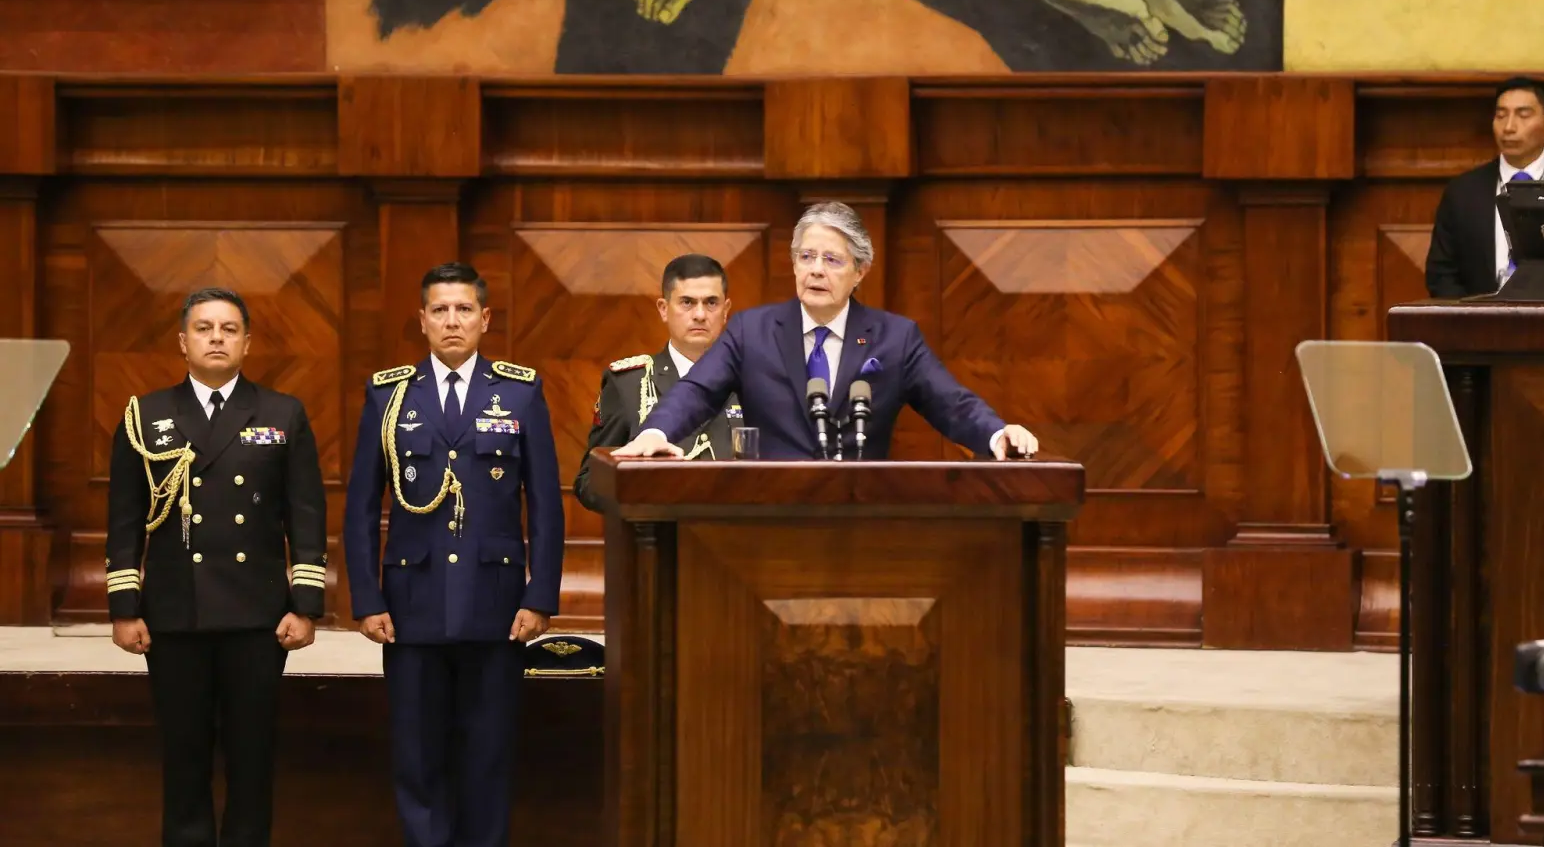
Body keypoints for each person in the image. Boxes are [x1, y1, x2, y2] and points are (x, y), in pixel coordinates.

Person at [343, 261, 564, 847]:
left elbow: (544, 502)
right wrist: (366, 598)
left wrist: (541, 595)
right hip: (410, 607)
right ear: (421, 320)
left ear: (485, 319)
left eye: (464, 309)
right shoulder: (388, 395)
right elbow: (362, 506)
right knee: (418, 760)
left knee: (488, 758)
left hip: (497, 607)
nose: (452, 321)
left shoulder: (520, 391)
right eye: (439, 310)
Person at [105, 287, 327, 847]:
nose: (216, 338)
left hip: (257, 618)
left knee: (253, 760)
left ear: (248, 343)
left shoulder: (283, 412)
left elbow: (304, 516)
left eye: (229, 329)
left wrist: (305, 606)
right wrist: (123, 608)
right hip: (176, 615)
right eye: (204, 328)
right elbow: (125, 521)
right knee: (184, 759)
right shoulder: (145, 414)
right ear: (183, 342)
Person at [616, 201, 1040, 460]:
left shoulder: (896, 338)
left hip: (861, 522)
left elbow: (952, 403)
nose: (816, 269)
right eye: (807, 256)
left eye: (832, 260)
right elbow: (696, 391)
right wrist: (656, 432)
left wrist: (997, 432)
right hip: (766, 521)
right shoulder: (752, 331)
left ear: (860, 272)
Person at [573, 253, 740, 510]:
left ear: (726, 310)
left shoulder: (750, 381)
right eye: (686, 302)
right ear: (664, 309)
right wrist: (642, 491)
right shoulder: (629, 383)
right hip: (655, 538)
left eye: (711, 303)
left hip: (735, 537)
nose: (699, 314)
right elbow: (589, 482)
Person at [1424, 77, 1544, 298]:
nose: (1509, 127)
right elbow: (1441, 274)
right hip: (1475, 322)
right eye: (1501, 115)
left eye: (1523, 115)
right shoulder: (1462, 192)